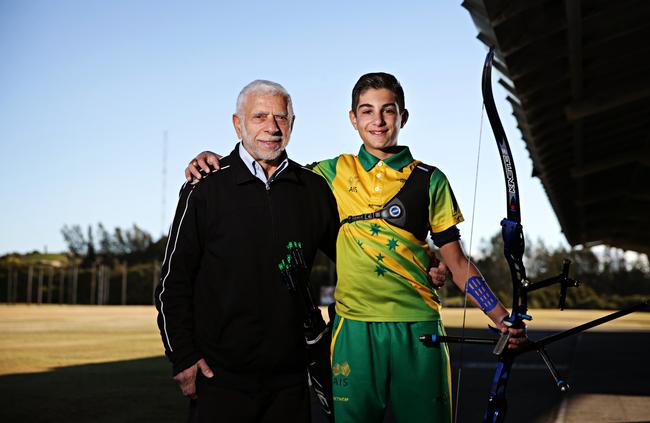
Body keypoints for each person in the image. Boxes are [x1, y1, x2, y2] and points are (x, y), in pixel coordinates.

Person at [185, 73, 527, 423]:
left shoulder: (430, 179)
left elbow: (456, 263)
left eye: (388, 111)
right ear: (353, 118)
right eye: (366, 111)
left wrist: (501, 317)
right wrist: (212, 160)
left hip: (418, 327)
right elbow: (268, 164)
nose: (377, 121)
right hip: (352, 330)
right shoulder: (327, 174)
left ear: (403, 116)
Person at [154, 80, 342, 423]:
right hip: (219, 378)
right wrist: (182, 356)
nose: (271, 128)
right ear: (238, 124)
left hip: (290, 381)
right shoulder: (205, 186)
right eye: (259, 117)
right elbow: (173, 282)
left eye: (280, 118)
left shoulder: (313, 189)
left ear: (292, 124)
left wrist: (427, 264)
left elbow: (353, 257)